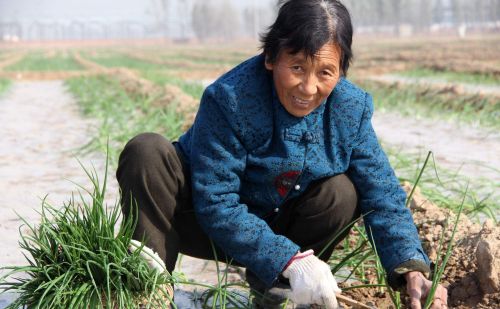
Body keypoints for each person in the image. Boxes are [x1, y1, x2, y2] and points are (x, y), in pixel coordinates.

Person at [116, 0, 448, 308]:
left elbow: (382, 193)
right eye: (298, 67)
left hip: (282, 224)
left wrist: (411, 266)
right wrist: (286, 257)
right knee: (147, 151)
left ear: (341, 71)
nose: (308, 88)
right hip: (203, 220)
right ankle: (148, 289)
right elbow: (216, 201)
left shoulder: (350, 109)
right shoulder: (231, 98)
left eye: (325, 73)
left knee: (340, 193)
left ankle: (276, 293)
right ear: (272, 58)